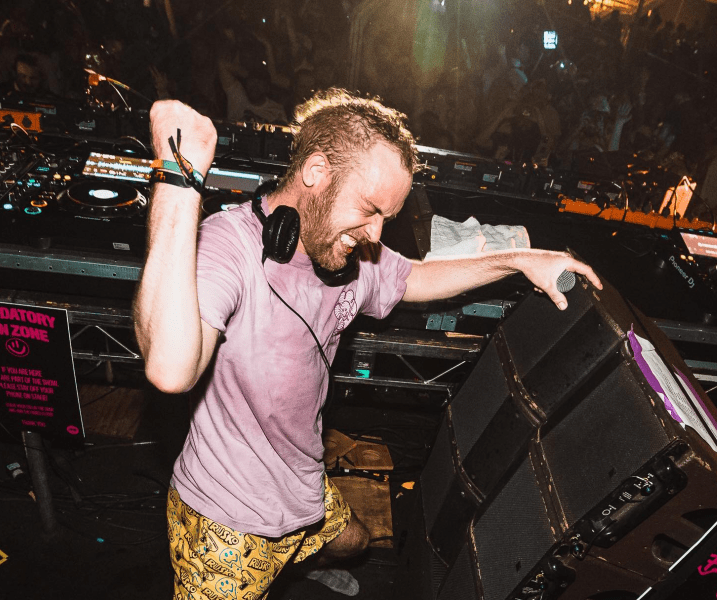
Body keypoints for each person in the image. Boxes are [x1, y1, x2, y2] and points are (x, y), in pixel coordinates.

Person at [133, 88, 601, 599]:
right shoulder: (232, 246)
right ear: (315, 173)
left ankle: (298, 563)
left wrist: (521, 260)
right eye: (370, 208)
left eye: (388, 217)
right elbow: (169, 370)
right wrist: (178, 180)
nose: (377, 234)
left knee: (354, 541)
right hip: (228, 526)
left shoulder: (346, 251)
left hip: (301, 484)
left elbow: (417, 278)